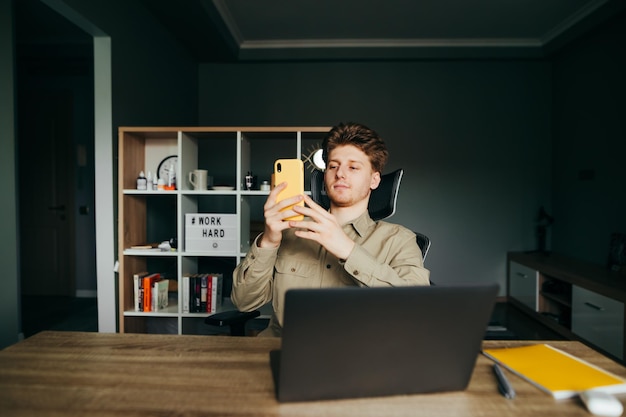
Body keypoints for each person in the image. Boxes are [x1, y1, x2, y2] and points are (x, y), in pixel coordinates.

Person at [232, 122, 430, 336]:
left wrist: (348, 250)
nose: (340, 174)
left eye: (353, 167)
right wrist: (269, 241)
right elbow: (244, 302)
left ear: (374, 180)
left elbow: (415, 308)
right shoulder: (288, 231)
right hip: (281, 350)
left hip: (354, 359)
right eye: (333, 166)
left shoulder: (400, 240)